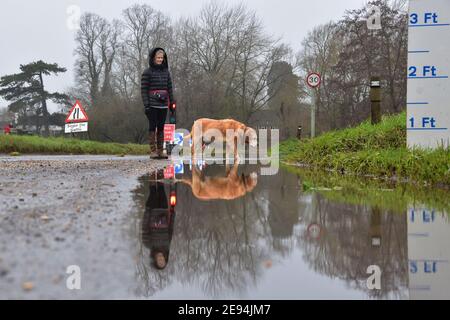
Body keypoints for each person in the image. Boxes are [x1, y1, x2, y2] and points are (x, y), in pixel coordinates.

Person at [141, 47, 175, 159]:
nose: (160, 59)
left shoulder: (166, 72)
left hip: (164, 104)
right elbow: (144, 90)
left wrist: (172, 103)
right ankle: (153, 151)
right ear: (153, 58)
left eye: (161, 58)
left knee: (161, 127)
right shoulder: (147, 72)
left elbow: (169, 88)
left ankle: (161, 150)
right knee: (152, 126)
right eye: (158, 57)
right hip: (152, 104)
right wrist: (146, 105)